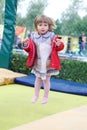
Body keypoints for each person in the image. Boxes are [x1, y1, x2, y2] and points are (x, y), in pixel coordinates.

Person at [23, 15, 64, 104]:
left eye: (45, 25)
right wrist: (26, 44)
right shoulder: (33, 36)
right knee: (38, 79)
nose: (43, 27)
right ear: (36, 26)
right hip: (38, 62)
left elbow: (59, 47)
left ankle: (45, 97)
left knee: (46, 80)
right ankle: (36, 95)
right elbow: (30, 49)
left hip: (49, 62)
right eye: (40, 25)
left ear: (49, 26)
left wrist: (58, 44)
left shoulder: (52, 36)